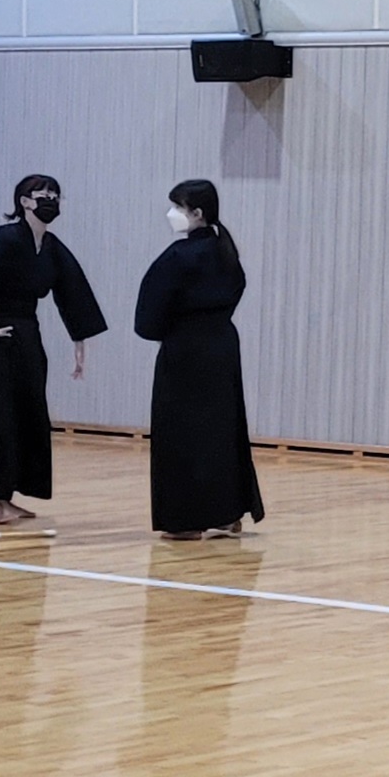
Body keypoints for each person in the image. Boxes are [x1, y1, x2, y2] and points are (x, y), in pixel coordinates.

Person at [0, 173, 106, 525]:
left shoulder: (52, 247)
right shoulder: (2, 239)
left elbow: (73, 291)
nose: (50, 200)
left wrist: (80, 341)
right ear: (24, 201)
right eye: (42, 194)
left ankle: (5, 495)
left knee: (27, 415)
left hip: (25, 334)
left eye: (55, 195)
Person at [135, 177, 264, 541]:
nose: (173, 214)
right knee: (221, 430)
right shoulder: (227, 253)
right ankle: (227, 513)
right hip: (222, 346)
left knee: (181, 433)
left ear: (197, 213)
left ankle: (185, 520)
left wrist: (167, 330)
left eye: (178, 207)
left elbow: (149, 313)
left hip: (184, 350)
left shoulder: (179, 256)